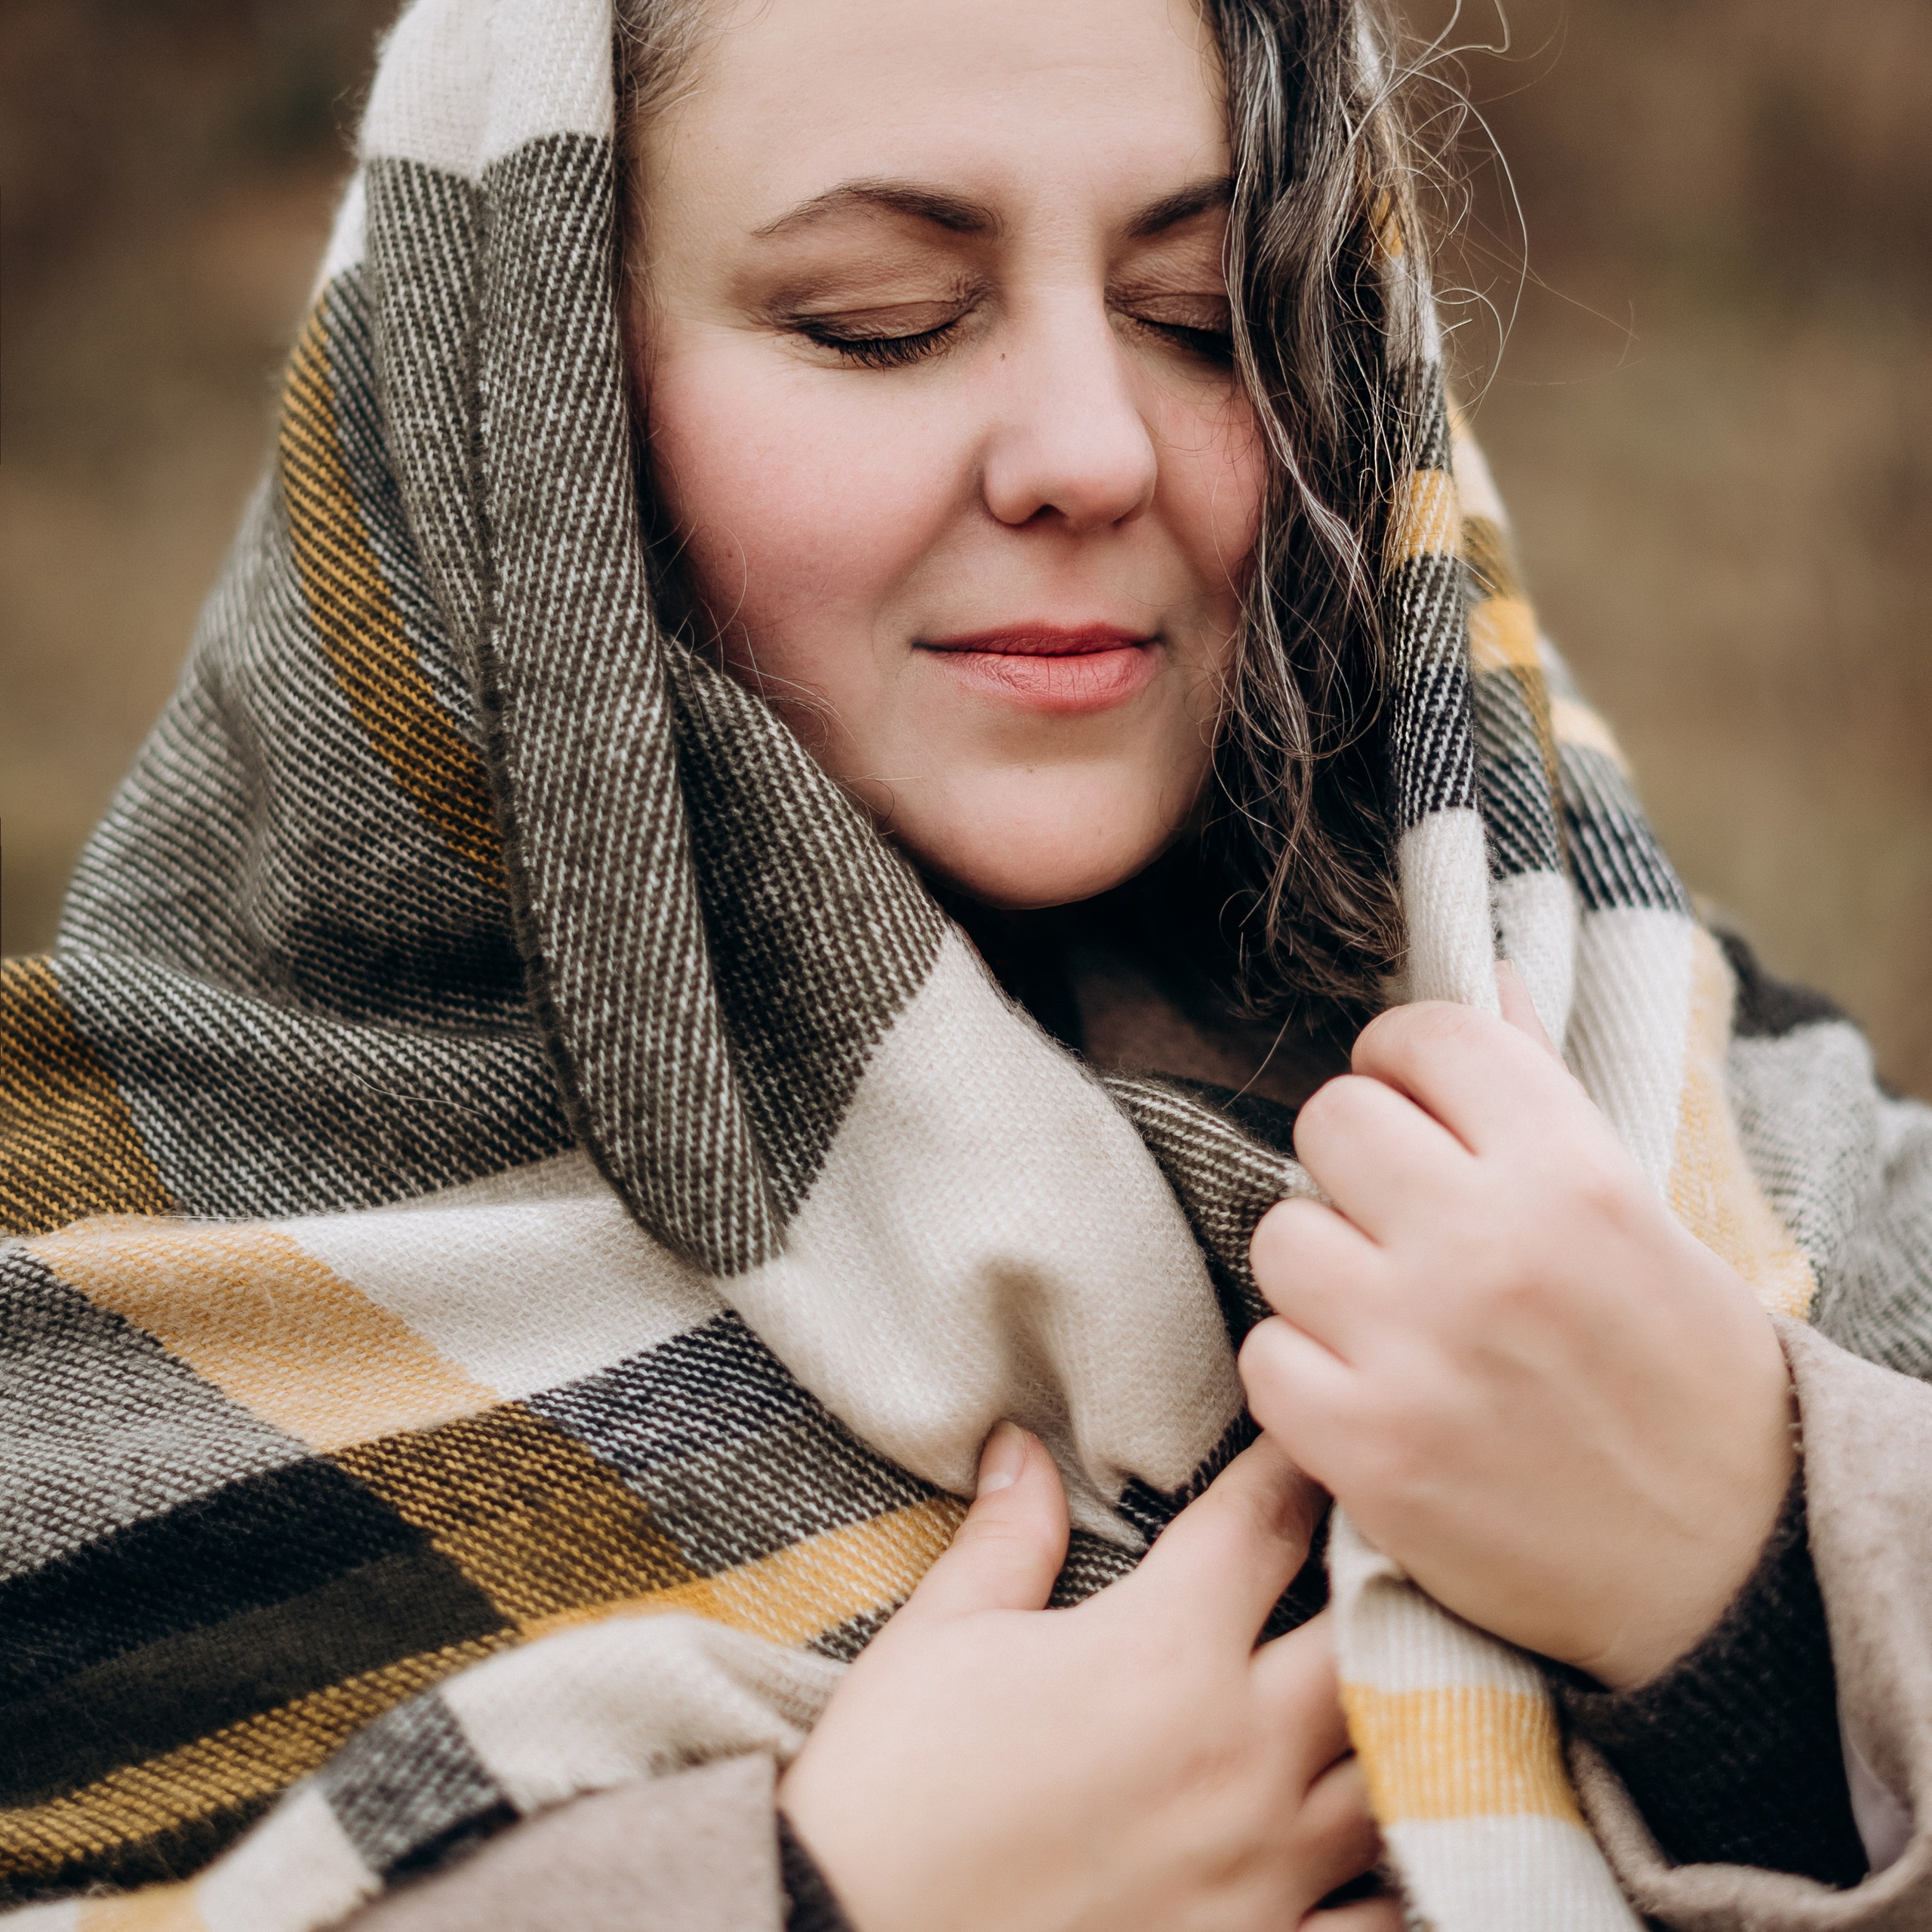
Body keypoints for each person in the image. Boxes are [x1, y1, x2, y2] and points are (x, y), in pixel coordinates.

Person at [1, 1, 1927, 1930]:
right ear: (520, 400)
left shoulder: (1724, 1176)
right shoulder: (87, 1359)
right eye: (879, 319)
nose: (1087, 451)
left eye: (1199, 310)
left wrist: (1759, 1561)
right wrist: (818, 1895)